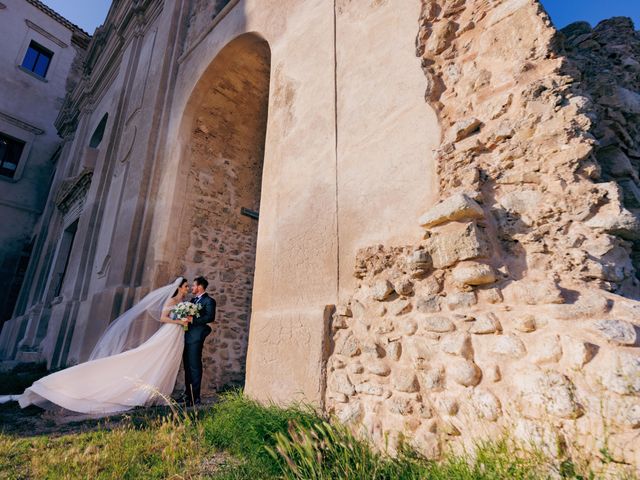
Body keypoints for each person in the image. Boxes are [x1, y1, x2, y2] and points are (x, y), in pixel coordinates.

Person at [0, 278, 191, 415]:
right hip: (170, 333)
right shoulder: (172, 300)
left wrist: (183, 319)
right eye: (186, 286)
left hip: (175, 335)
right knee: (152, 357)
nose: (188, 288)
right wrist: (181, 320)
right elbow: (164, 318)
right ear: (179, 287)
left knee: (167, 362)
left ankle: (156, 395)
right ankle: (146, 394)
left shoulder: (182, 302)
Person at [183, 276, 216, 406]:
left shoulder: (209, 301)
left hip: (196, 337)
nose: (192, 287)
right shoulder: (192, 300)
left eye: (194, 285)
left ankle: (195, 398)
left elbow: (210, 317)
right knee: (187, 366)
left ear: (200, 287)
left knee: (195, 367)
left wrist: (193, 320)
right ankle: (188, 395)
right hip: (187, 336)